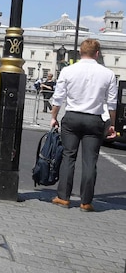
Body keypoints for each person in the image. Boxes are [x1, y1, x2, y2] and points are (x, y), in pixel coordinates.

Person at [50, 39, 117, 212]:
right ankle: (86, 202)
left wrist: (54, 117)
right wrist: (112, 124)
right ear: (97, 53)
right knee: (90, 161)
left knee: (68, 156)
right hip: (94, 120)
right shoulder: (108, 74)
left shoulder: (68, 70)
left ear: (80, 52)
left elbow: (58, 98)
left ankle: (63, 197)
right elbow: (112, 104)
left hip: (72, 117)